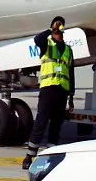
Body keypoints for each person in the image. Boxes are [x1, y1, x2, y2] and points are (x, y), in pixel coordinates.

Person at [23, 16, 74, 170]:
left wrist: (71, 97)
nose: (59, 27)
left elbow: (71, 73)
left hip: (62, 90)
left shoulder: (68, 49)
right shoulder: (46, 44)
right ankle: (29, 156)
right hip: (48, 89)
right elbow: (37, 39)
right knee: (41, 122)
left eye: (61, 24)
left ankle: (50, 158)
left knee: (56, 126)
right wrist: (50, 30)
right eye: (56, 24)